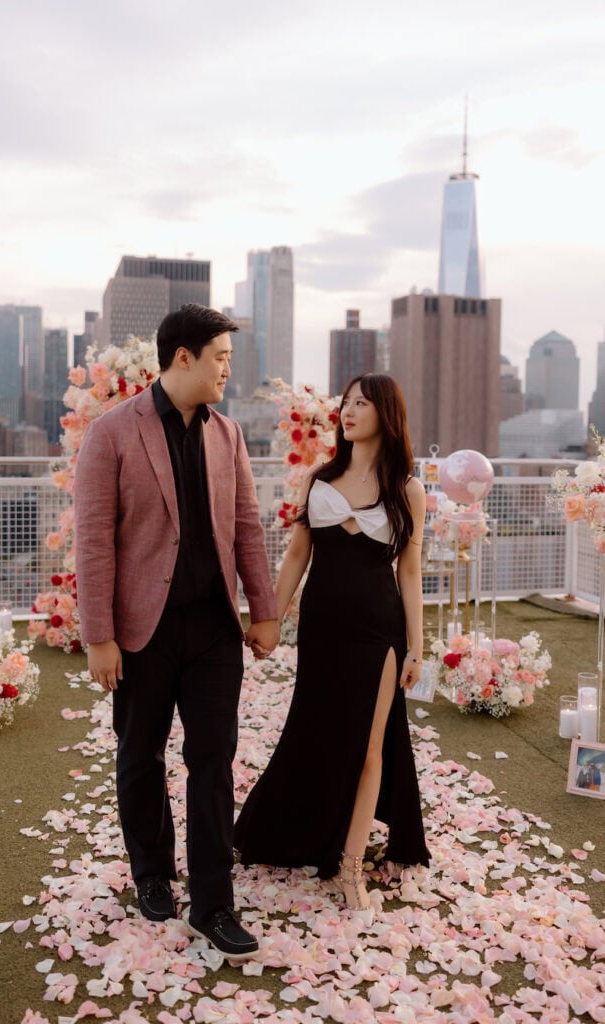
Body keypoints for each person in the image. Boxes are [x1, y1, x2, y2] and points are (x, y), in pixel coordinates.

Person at [75, 303, 279, 959]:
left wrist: (265, 609)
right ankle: (152, 872)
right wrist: (98, 635)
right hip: (140, 630)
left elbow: (247, 526)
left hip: (215, 629)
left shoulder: (229, 434)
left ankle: (213, 905)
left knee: (212, 761)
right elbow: (94, 542)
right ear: (182, 357)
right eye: (219, 358)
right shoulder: (111, 433)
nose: (227, 370)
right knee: (139, 756)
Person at [234, 373, 430, 917]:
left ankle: (349, 869)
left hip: (379, 632)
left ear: (385, 414)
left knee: (371, 746)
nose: (348, 411)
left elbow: (410, 572)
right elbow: (297, 556)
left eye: (362, 403)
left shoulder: (407, 488)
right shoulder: (320, 478)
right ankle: (308, 828)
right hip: (321, 632)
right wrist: (268, 617)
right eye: (346, 403)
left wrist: (416, 646)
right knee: (317, 730)